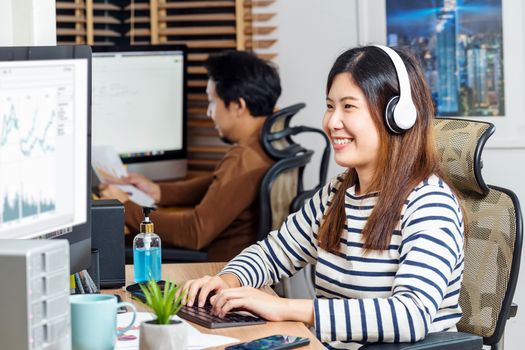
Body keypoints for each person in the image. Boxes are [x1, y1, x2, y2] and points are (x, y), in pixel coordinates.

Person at [181, 46, 465, 348]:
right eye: (330, 106)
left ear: (396, 115)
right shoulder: (338, 193)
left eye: (349, 107)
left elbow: (411, 315)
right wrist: (228, 281)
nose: (332, 122)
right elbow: (273, 253)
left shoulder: (430, 203)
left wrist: (288, 308)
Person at [100, 51, 281, 261]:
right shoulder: (266, 145)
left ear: (238, 106)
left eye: (212, 102)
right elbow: (218, 185)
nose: (208, 112)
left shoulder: (244, 158)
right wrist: (158, 192)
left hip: (216, 271)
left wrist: (125, 209)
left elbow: (194, 232)